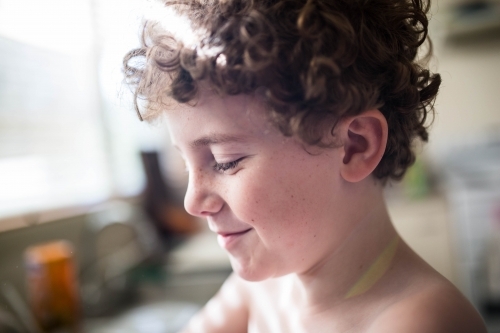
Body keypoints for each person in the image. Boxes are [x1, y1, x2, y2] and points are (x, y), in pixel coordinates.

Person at [123, 0, 487, 331]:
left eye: (225, 161)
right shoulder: (260, 289)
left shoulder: (421, 321)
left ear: (353, 147)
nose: (192, 201)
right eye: (187, 166)